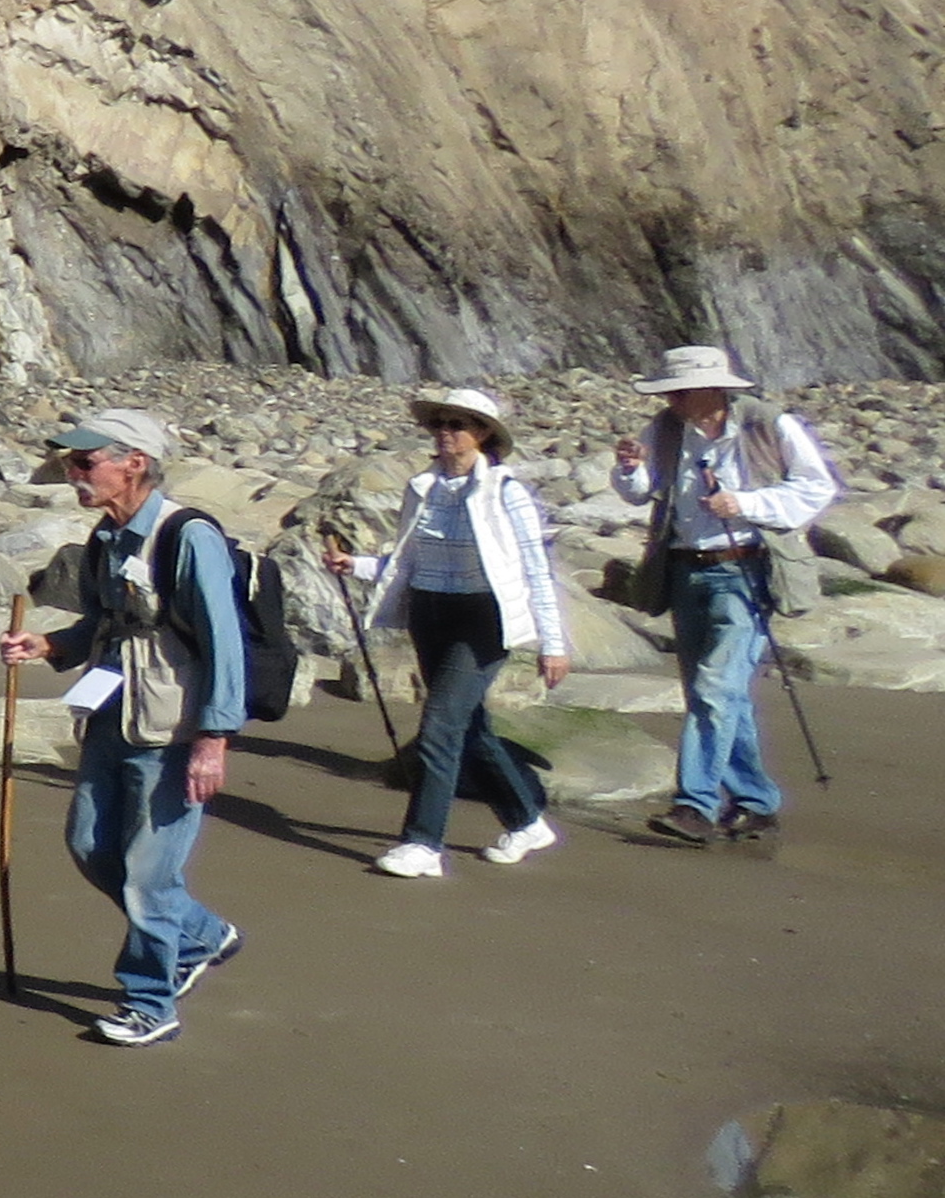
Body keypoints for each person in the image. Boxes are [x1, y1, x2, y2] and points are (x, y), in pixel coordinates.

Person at [0, 408, 245, 1048]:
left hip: (173, 731)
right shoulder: (107, 538)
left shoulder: (187, 537)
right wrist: (47, 645)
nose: (73, 474)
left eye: (86, 462)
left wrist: (213, 739)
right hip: (111, 720)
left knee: (148, 872)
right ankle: (201, 934)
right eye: (70, 463)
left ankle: (149, 1002)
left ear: (134, 462)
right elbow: (104, 628)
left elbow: (224, 644)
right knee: (89, 845)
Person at [610, 345, 841, 845]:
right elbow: (640, 490)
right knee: (715, 694)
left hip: (748, 571)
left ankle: (695, 805)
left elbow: (817, 488)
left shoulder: (767, 423)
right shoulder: (665, 428)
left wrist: (747, 503)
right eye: (667, 390)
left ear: (713, 388)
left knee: (715, 690)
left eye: (679, 390)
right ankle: (756, 803)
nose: (670, 399)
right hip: (685, 572)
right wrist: (629, 468)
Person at [334, 389, 567, 878]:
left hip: (483, 619)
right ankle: (526, 821)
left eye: (457, 423)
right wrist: (354, 564)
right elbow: (406, 559)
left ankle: (422, 844)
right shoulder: (422, 487)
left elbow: (536, 571)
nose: (445, 431)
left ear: (482, 434)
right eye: (439, 422)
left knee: (440, 724)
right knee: (471, 728)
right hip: (429, 612)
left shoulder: (507, 491)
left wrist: (554, 644)